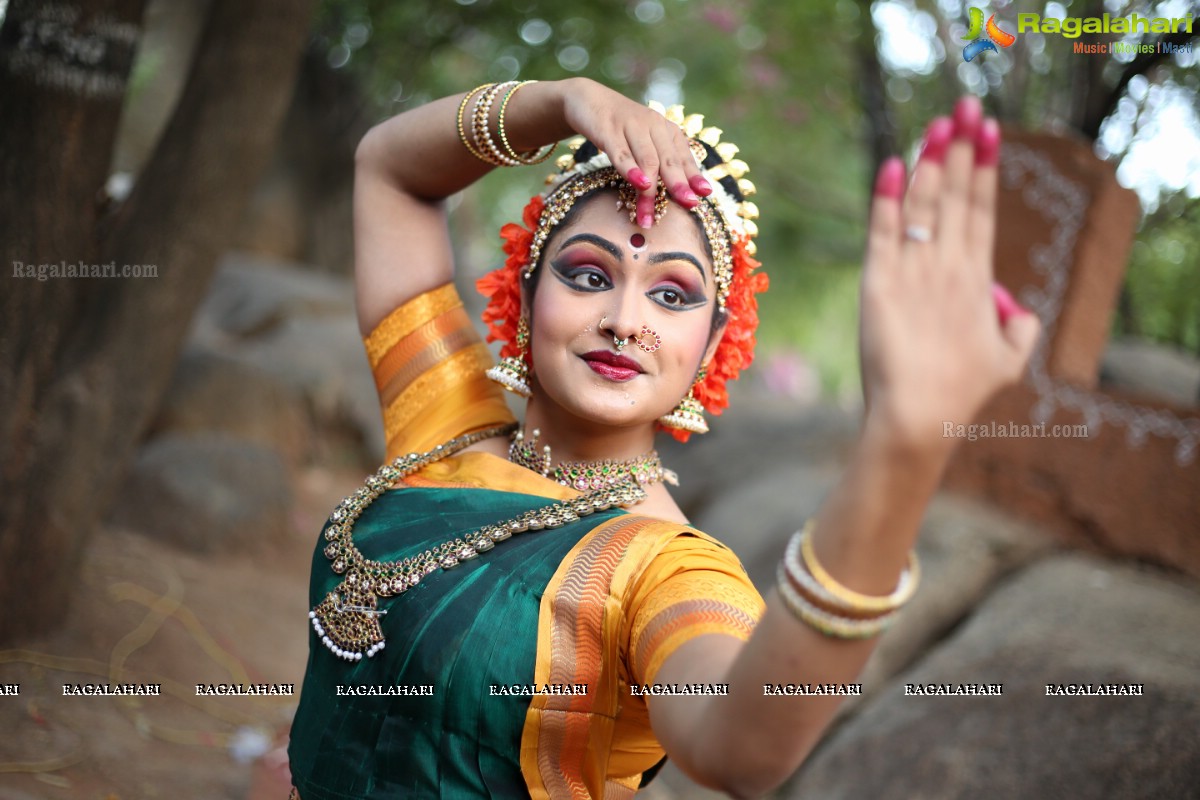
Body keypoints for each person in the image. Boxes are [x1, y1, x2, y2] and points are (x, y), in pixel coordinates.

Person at [286, 77, 1039, 799]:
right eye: (587, 275)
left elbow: (739, 749)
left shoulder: (662, 571)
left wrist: (901, 453)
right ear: (524, 292)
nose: (624, 318)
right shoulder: (443, 424)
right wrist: (558, 101)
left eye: (673, 293)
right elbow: (389, 169)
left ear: (714, 344)